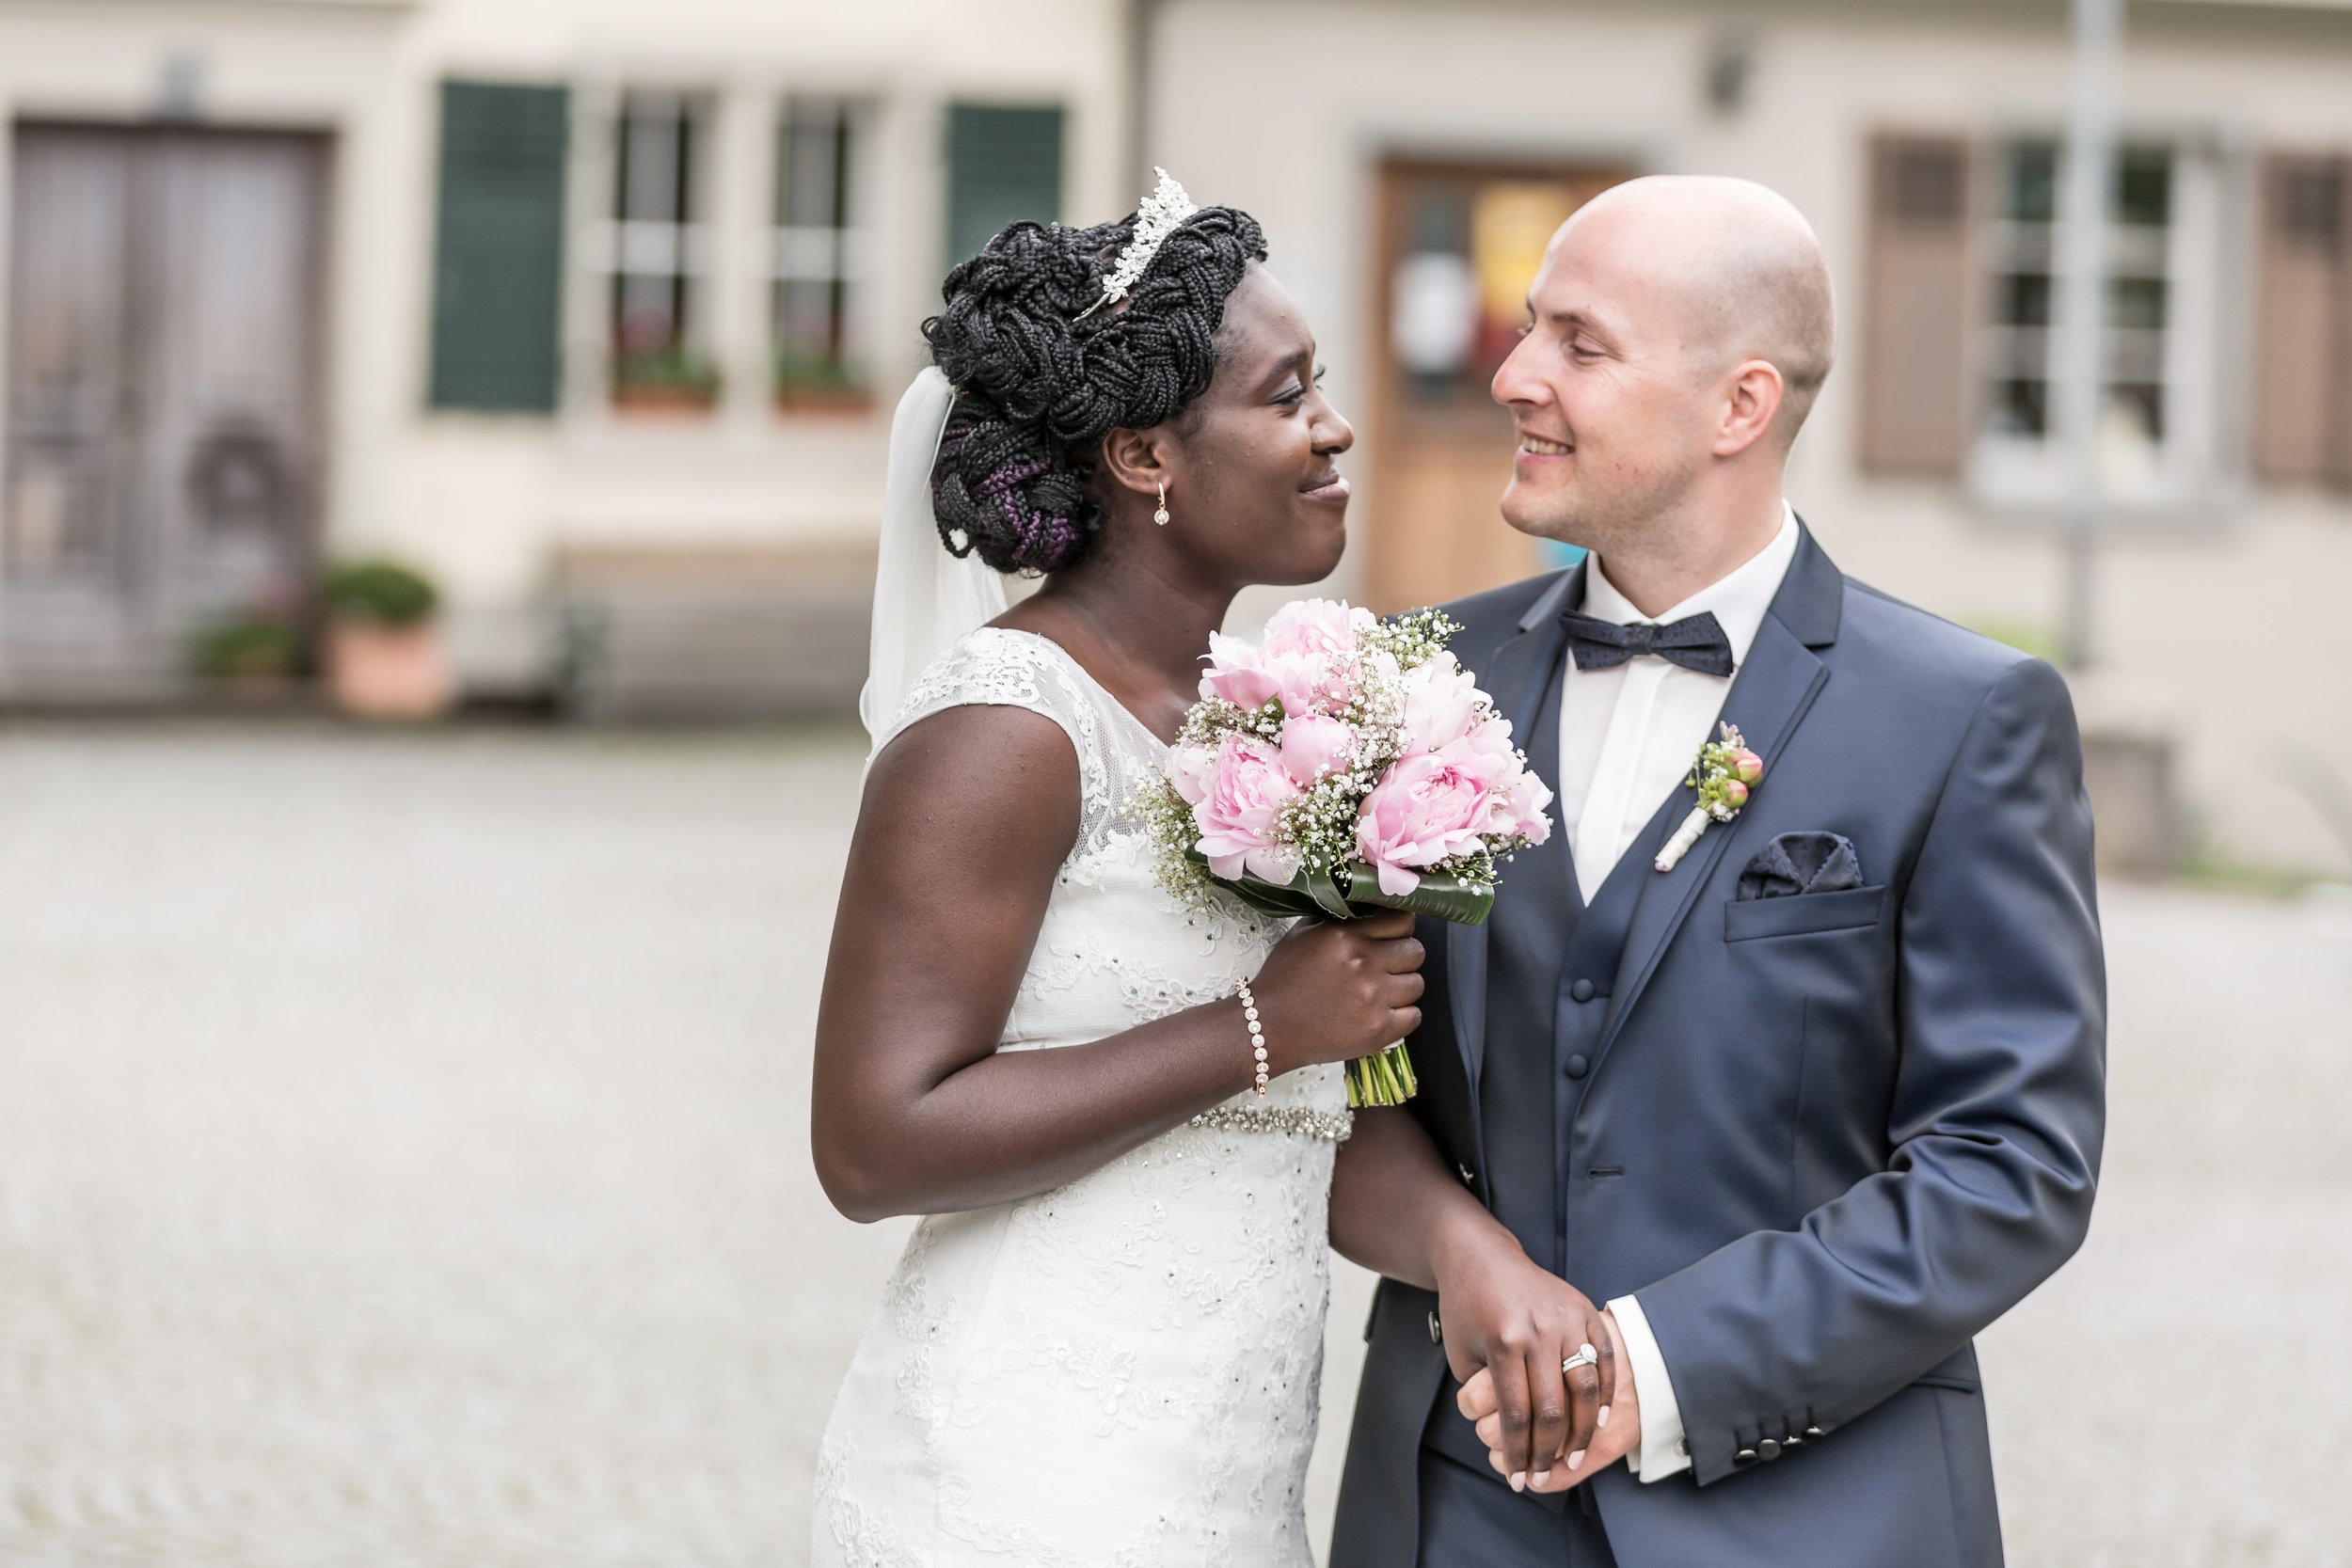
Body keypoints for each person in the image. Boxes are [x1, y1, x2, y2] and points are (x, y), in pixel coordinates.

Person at [1327, 176, 2106, 1567]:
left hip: (1813, 1512)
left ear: (1740, 406)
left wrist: (1659, 1363)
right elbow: (1342, 1078)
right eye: (1525, 332)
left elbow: (2010, 1165)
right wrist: (1460, 1248)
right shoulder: (1409, 678)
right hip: (1454, 1500)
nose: (1513, 377)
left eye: (1581, 343)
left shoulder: (1962, 716)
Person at [808, 180, 1426, 1565]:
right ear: (1146, 457)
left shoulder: (1255, 721)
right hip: (1033, 1465)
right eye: (1286, 396)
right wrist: (1268, 1028)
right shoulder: (1008, 726)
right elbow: (871, 1140)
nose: (1332, 429)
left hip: (1227, 1458)